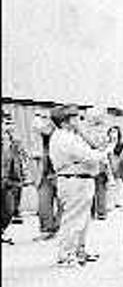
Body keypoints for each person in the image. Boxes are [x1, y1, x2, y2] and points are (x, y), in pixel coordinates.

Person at [48, 105, 105, 267]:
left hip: (81, 179)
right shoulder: (65, 138)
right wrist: (105, 152)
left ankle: (79, 250)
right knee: (73, 219)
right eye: (75, 118)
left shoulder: (71, 136)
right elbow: (89, 155)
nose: (79, 121)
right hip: (74, 180)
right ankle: (66, 254)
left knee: (83, 219)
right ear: (65, 122)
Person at [32, 114, 60, 241]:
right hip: (43, 173)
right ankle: (47, 229)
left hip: (59, 173)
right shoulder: (38, 138)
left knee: (62, 203)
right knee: (43, 203)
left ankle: (58, 228)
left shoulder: (60, 135)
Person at [1, 111, 25, 245]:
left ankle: (2, 230)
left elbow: (20, 159)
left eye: (9, 123)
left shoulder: (13, 140)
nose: (8, 126)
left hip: (10, 179)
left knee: (9, 209)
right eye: (5, 122)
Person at [83, 108, 110, 220]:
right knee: (101, 188)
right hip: (101, 162)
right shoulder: (103, 132)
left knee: (91, 188)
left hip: (90, 163)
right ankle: (101, 211)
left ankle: (92, 211)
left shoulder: (86, 132)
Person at [106, 125, 123, 209]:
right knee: (110, 185)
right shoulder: (106, 144)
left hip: (118, 165)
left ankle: (118, 201)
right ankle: (110, 202)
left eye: (115, 132)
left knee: (119, 184)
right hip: (108, 166)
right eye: (111, 131)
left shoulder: (121, 145)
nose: (112, 134)